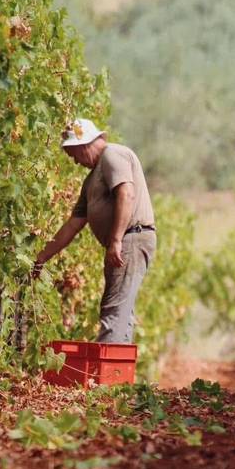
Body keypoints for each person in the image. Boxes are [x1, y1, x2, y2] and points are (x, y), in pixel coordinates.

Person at [33, 118, 156, 344]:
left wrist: (116, 240)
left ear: (83, 144)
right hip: (122, 241)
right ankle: (119, 374)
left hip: (131, 239)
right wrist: (41, 258)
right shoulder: (91, 181)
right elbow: (73, 224)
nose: (75, 162)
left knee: (114, 311)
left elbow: (126, 194)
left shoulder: (112, 155)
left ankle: (107, 379)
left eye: (74, 154)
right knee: (119, 311)